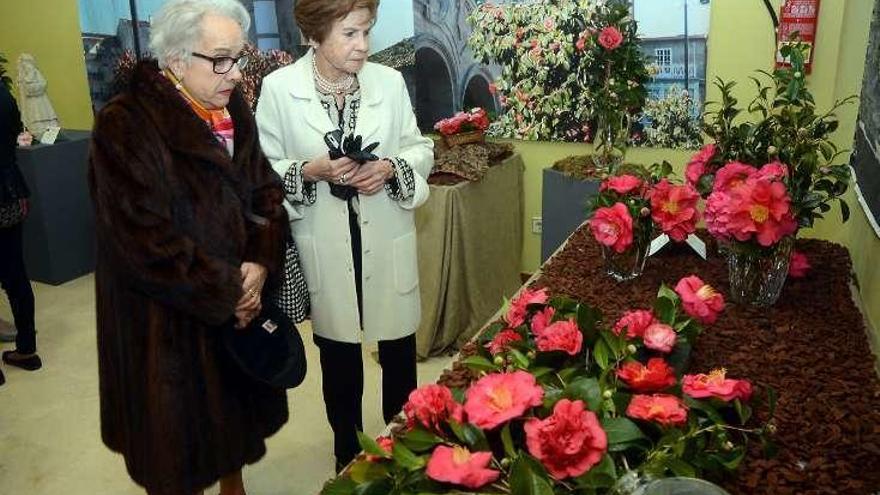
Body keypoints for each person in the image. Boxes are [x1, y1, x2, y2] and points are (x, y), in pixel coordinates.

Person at [88, 1, 291, 493]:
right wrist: (227, 290)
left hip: (233, 305)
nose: (236, 74)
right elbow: (142, 241)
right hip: (164, 329)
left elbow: (265, 191)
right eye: (221, 59)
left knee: (231, 432)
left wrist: (260, 262)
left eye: (239, 57)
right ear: (177, 61)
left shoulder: (231, 106)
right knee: (178, 452)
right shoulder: (125, 124)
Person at [256, 0, 434, 470]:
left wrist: (390, 168)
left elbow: (419, 148)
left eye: (367, 32)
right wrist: (309, 171)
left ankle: (404, 450)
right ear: (313, 36)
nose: (363, 46)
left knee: (398, 354)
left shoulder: (389, 82)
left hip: (386, 234)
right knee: (338, 359)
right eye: (350, 34)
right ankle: (347, 453)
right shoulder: (278, 89)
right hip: (326, 243)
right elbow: (262, 170)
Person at [0, 83, 41, 387]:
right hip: (10, 192)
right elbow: (14, 135)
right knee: (16, 275)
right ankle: (27, 350)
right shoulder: (3, 92)